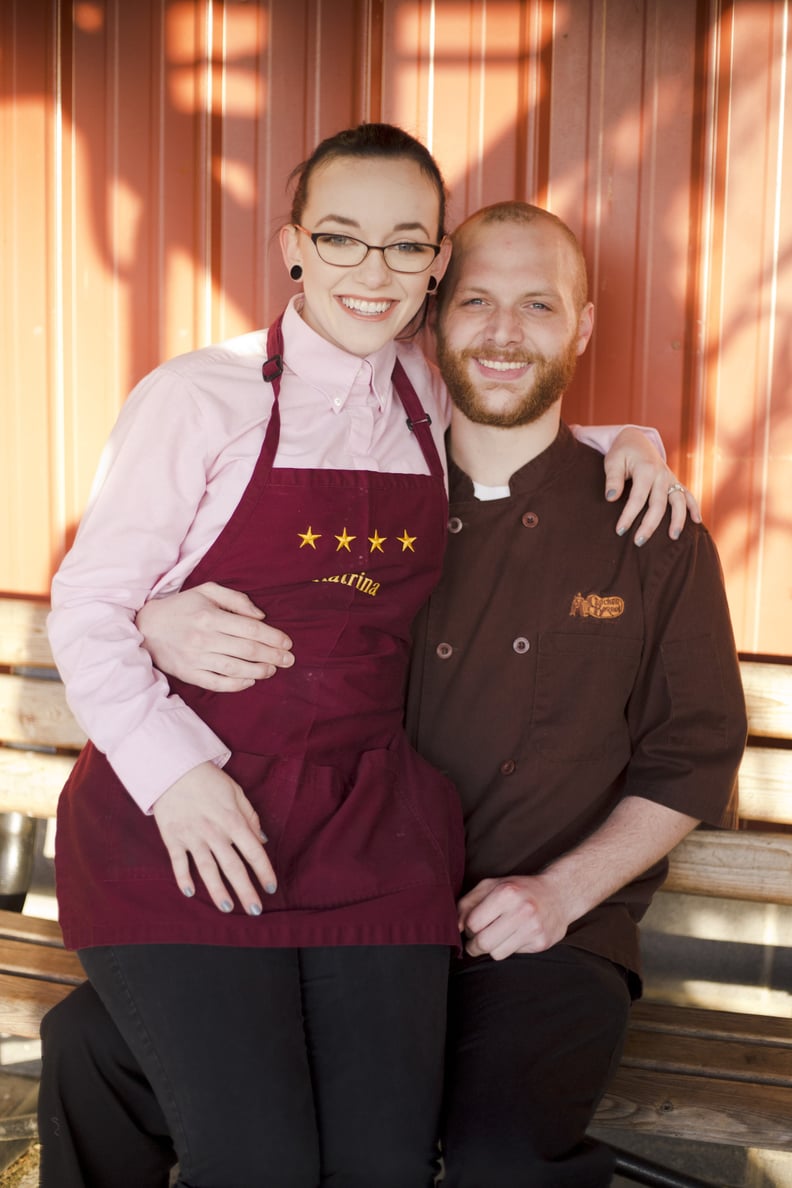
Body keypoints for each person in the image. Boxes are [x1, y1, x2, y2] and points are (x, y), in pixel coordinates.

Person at [41, 130, 698, 1188]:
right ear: (294, 245)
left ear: (435, 264)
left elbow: (525, 423)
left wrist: (634, 441)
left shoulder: (421, 396)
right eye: (341, 239)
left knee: (383, 1164)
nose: (372, 271)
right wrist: (178, 774)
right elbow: (85, 609)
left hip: (368, 827)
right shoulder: (199, 397)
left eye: (405, 246)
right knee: (260, 1162)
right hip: (198, 817)